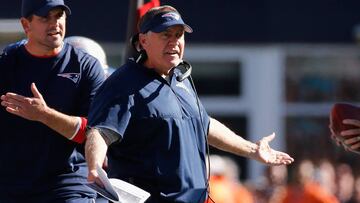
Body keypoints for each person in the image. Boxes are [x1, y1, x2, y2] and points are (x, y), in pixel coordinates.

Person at [85, 5, 294, 203]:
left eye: (179, 35)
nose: (174, 42)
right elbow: (101, 131)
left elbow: (205, 125)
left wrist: (252, 149)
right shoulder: (123, 83)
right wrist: (94, 168)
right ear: (143, 41)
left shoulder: (180, 80)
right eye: (165, 35)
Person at [0, 0, 106, 202]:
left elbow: (94, 132)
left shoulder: (86, 66)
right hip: (11, 185)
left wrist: (43, 115)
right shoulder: (6, 65)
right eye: (45, 17)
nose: (55, 23)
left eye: (59, 15)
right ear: (26, 25)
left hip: (68, 184)